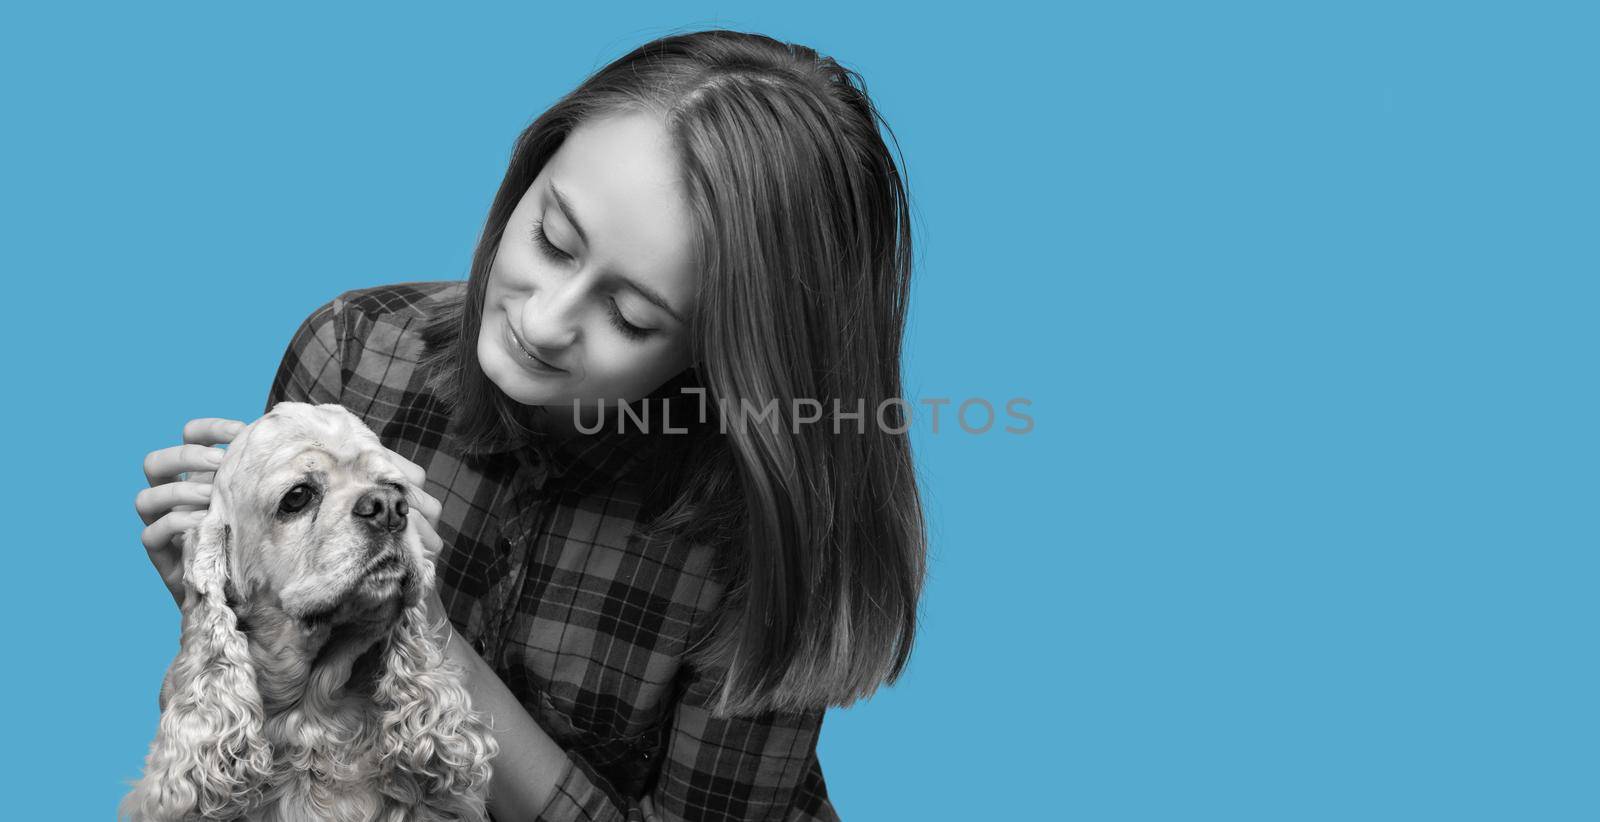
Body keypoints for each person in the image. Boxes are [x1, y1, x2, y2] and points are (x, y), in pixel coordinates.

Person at [135, 28, 925, 821]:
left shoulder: (772, 540)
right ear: (529, 174)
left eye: (630, 314)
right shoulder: (355, 352)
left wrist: (429, 630)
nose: (544, 323)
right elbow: (286, 731)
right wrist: (248, 607)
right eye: (552, 239)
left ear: (724, 351)